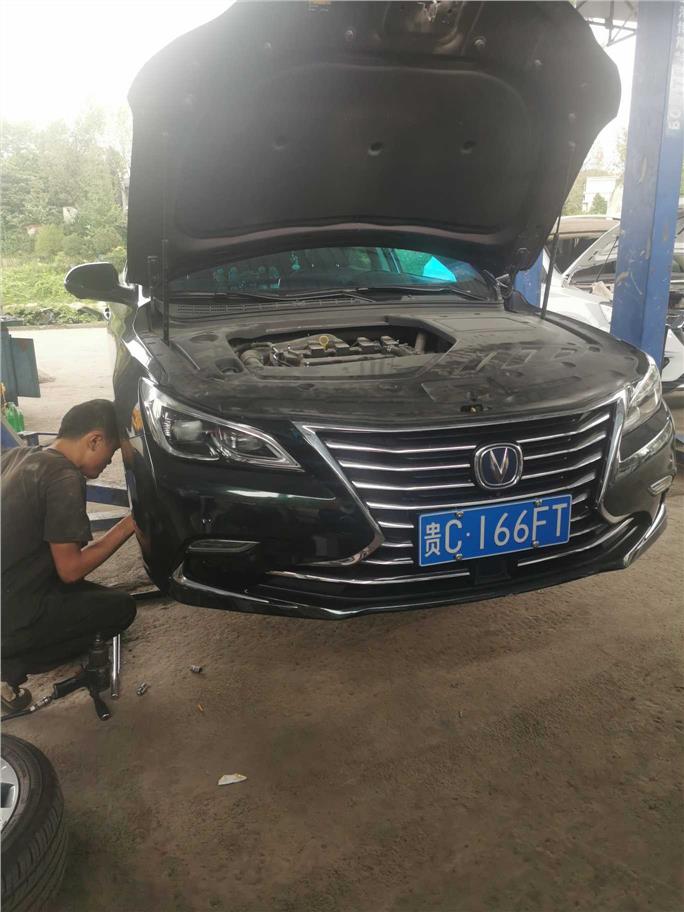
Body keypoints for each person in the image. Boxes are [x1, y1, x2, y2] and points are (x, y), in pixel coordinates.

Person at [1, 400, 137, 712]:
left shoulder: (20, 456)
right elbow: (71, 570)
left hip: (10, 587)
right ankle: (8, 665)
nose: (109, 463)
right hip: (10, 615)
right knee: (120, 609)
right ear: (94, 440)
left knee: (96, 598)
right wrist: (131, 523)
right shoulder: (64, 478)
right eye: (111, 453)